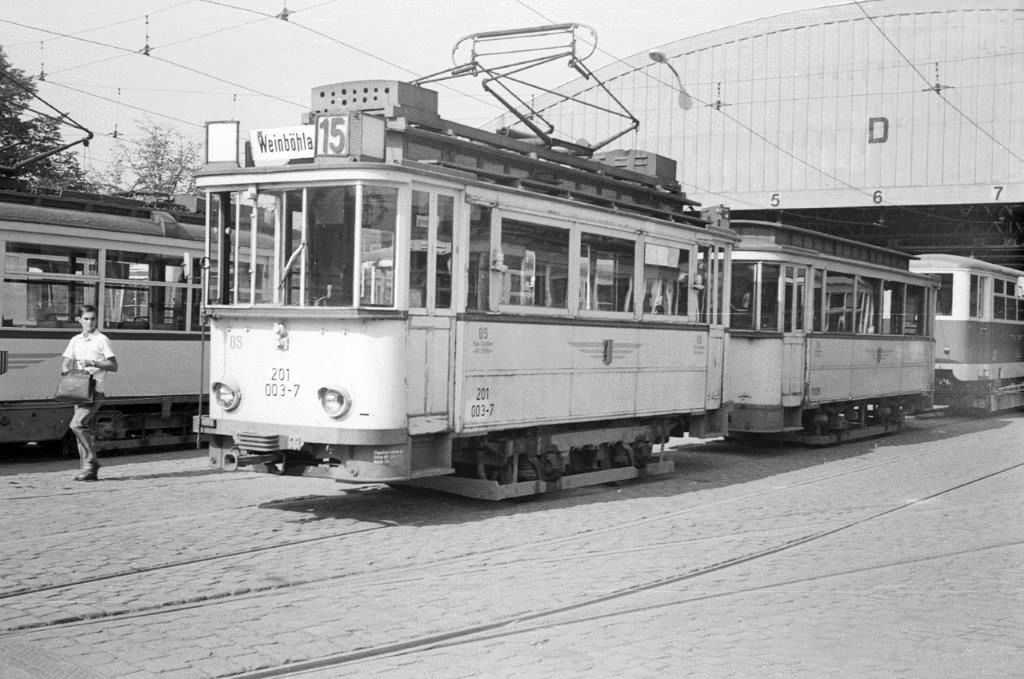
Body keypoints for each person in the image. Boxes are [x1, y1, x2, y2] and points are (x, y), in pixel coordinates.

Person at [61, 305, 118, 481]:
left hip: (96, 390)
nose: (90, 322)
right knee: (80, 431)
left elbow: (113, 366)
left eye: (93, 319)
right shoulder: (75, 340)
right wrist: (67, 372)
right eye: (86, 318)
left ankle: (92, 460)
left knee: (76, 425)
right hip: (79, 390)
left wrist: (94, 363)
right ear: (79, 320)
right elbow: (66, 362)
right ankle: (87, 471)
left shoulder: (102, 339)